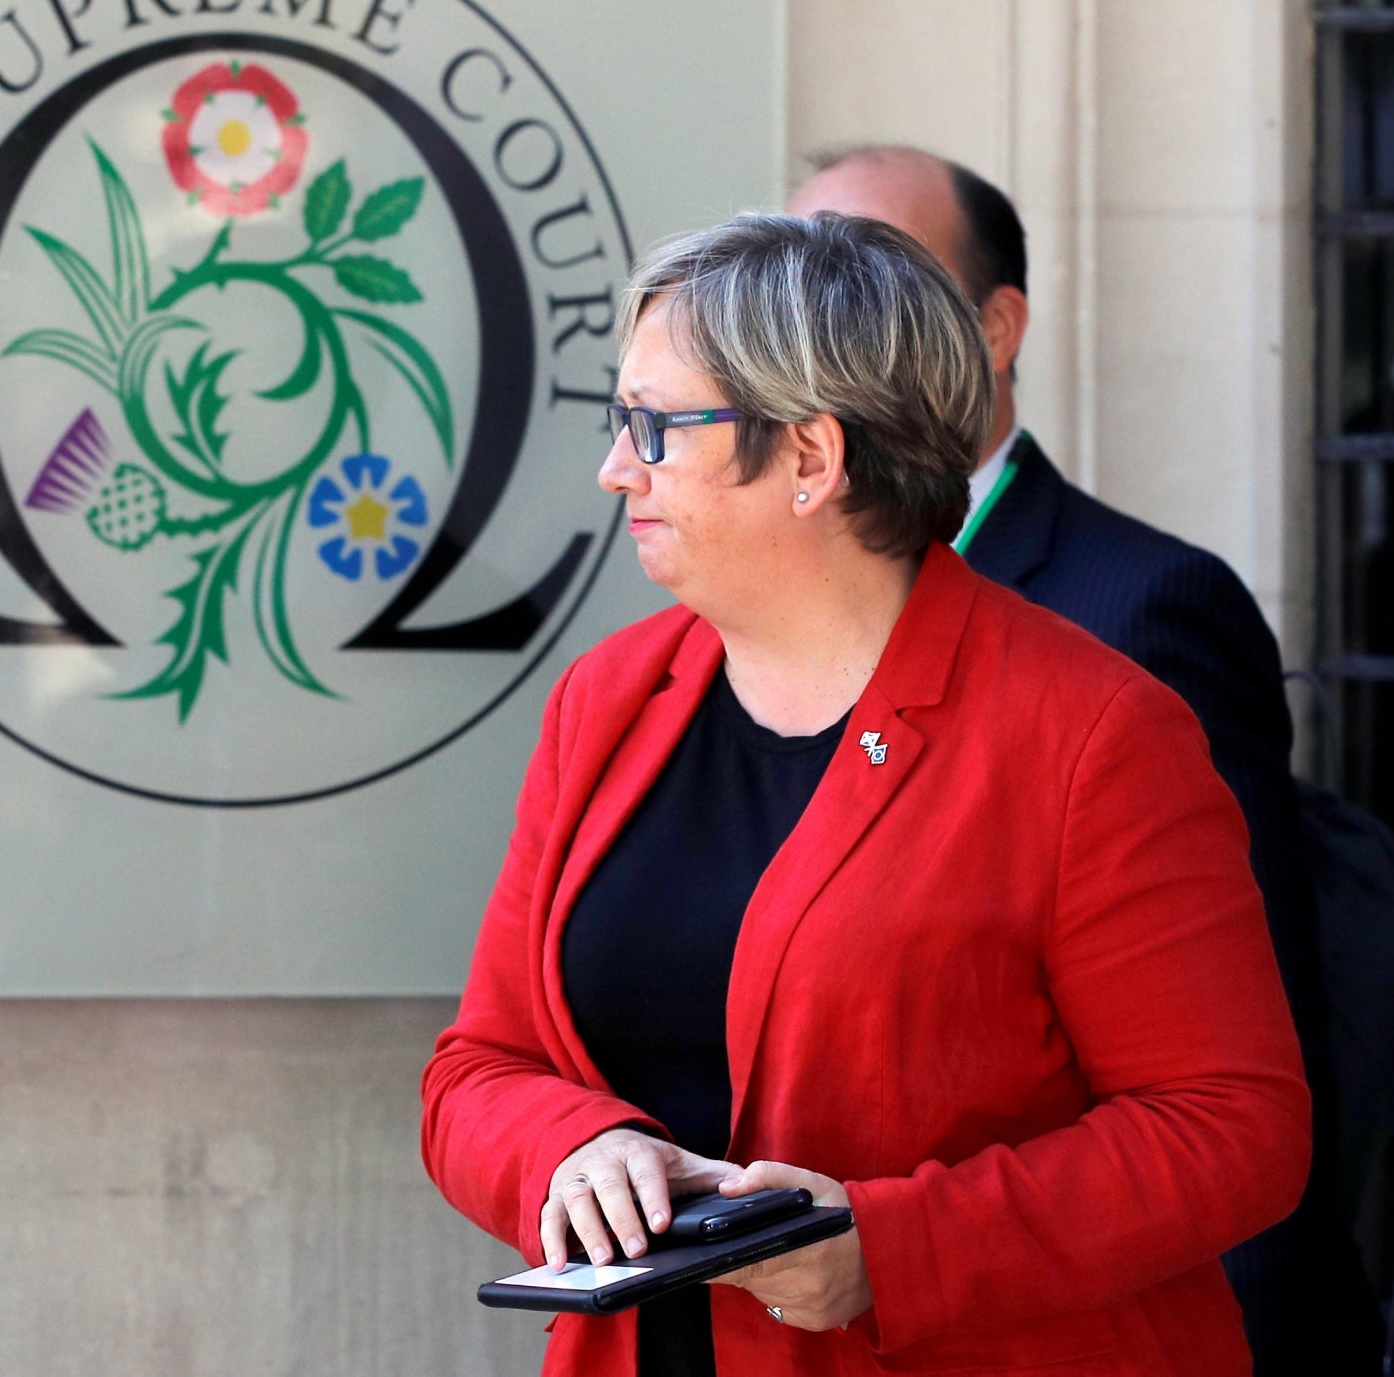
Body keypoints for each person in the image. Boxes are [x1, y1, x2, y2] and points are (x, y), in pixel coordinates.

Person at [421, 213, 1308, 1377]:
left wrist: (896, 1248)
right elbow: (478, 1067)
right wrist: (573, 1148)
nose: (614, 466)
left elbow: (1228, 1130)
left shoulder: (1093, 734)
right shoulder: (608, 701)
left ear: (809, 459)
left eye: (654, 425)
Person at [788, 146, 1379, 1373]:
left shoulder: (1142, 602)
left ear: (996, 328)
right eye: (794, 295)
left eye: (875, 289)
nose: (817, 335)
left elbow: (1242, 1050)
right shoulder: (731, 637)